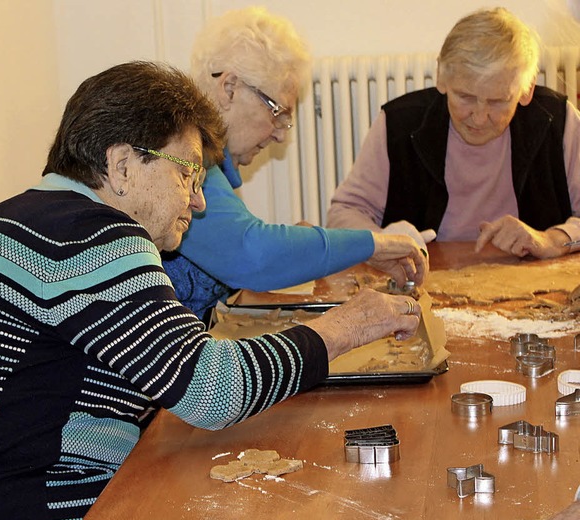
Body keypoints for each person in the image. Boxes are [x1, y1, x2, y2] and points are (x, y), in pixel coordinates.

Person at [0, 61, 422, 520]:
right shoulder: (92, 236)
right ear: (123, 165)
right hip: (12, 507)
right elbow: (214, 392)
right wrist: (345, 327)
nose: (199, 199)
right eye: (187, 173)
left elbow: (176, 368)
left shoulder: (21, 220)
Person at [162, 6, 427, 320]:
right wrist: (374, 245)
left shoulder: (209, 161)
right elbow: (253, 255)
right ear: (229, 88)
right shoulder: (184, 161)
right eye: (277, 112)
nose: (280, 135)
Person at [327, 7, 580, 260]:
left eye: (498, 101)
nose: (480, 118)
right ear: (441, 76)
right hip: (428, 284)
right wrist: (382, 243)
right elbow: (345, 213)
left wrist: (553, 240)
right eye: (465, 97)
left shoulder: (558, 121)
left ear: (527, 90)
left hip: (539, 286)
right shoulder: (399, 125)